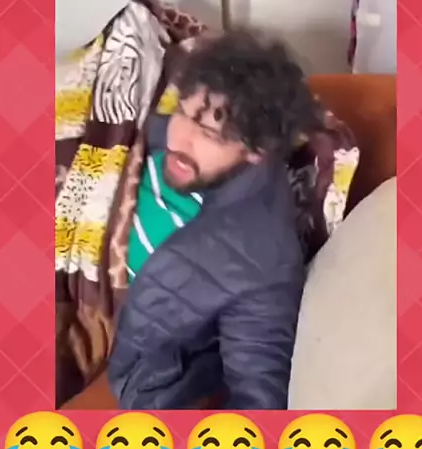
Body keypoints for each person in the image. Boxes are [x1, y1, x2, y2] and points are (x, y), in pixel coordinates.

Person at [108, 29, 325, 410]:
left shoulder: (261, 258)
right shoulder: (150, 137)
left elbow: (260, 395)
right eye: (183, 111)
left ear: (257, 150)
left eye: (209, 133)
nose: (180, 139)